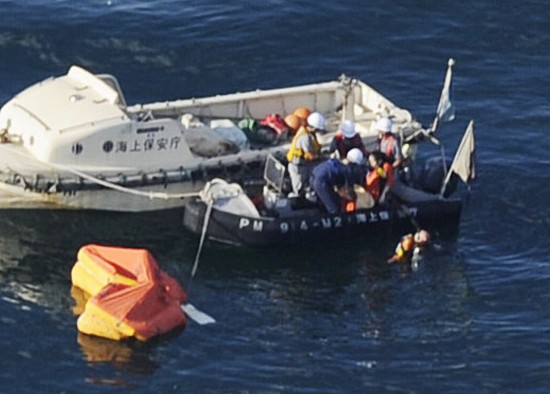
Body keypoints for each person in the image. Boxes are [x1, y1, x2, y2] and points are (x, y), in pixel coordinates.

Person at [309, 148, 366, 214]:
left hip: (313, 176)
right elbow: (348, 190)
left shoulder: (337, 161)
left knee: (324, 204)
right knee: (335, 209)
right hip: (321, 182)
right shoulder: (348, 170)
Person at [286, 112, 324, 197]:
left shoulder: (307, 132)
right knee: (298, 190)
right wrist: (322, 157)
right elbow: (310, 155)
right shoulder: (305, 137)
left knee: (306, 182)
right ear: (313, 128)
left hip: (304, 164)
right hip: (297, 167)